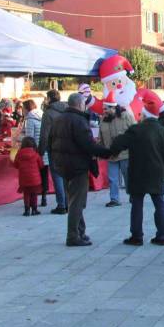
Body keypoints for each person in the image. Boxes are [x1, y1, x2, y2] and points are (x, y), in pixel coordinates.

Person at [50, 92, 112, 247]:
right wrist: (106, 152)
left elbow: (50, 141)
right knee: (77, 202)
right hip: (77, 165)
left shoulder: (58, 119)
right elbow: (87, 144)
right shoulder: (78, 120)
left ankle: (80, 232)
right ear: (79, 104)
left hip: (62, 164)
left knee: (73, 199)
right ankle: (72, 236)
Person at [112, 92, 164, 247]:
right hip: (157, 172)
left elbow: (119, 144)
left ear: (144, 115)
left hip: (137, 172)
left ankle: (137, 236)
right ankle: (161, 235)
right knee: (159, 202)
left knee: (137, 204)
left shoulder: (135, 130)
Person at [99, 101, 135, 208]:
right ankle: (114, 199)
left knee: (127, 176)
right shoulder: (103, 120)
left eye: (106, 109)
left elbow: (135, 131)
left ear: (113, 108)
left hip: (125, 154)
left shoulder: (126, 116)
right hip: (111, 155)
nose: (103, 111)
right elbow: (101, 138)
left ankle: (132, 195)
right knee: (112, 178)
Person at [39, 90, 69, 215]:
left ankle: (61, 205)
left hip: (55, 148)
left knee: (57, 176)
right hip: (68, 148)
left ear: (49, 98)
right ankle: (67, 203)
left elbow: (44, 134)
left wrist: (40, 150)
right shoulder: (68, 110)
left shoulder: (48, 113)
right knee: (67, 176)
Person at [22, 99, 47, 207]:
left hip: (35, 151)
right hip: (44, 150)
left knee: (35, 177)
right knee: (44, 174)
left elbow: (29, 137)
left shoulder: (30, 120)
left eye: (23, 108)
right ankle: (44, 197)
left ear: (27, 108)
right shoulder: (43, 116)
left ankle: (33, 201)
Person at [12, 136, 44, 216]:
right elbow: (41, 165)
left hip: (24, 179)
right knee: (34, 194)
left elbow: (15, 165)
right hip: (35, 179)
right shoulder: (35, 154)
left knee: (26, 194)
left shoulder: (19, 154)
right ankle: (34, 209)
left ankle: (26, 210)